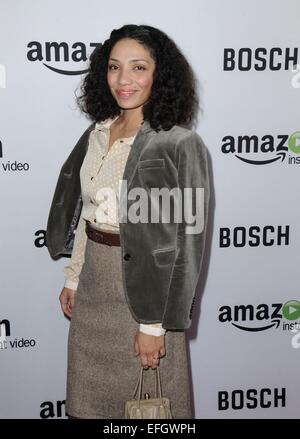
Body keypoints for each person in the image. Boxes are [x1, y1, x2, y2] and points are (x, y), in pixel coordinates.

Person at [46, 24, 210, 419]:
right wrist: (74, 275)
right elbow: (89, 212)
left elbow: (186, 244)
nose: (124, 80)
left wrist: (154, 326)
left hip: (146, 296)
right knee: (88, 408)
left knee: (148, 414)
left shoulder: (176, 144)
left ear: (160, 74)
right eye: (114, 67)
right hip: (94, 291)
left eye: (138, 67)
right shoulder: (98, 132)